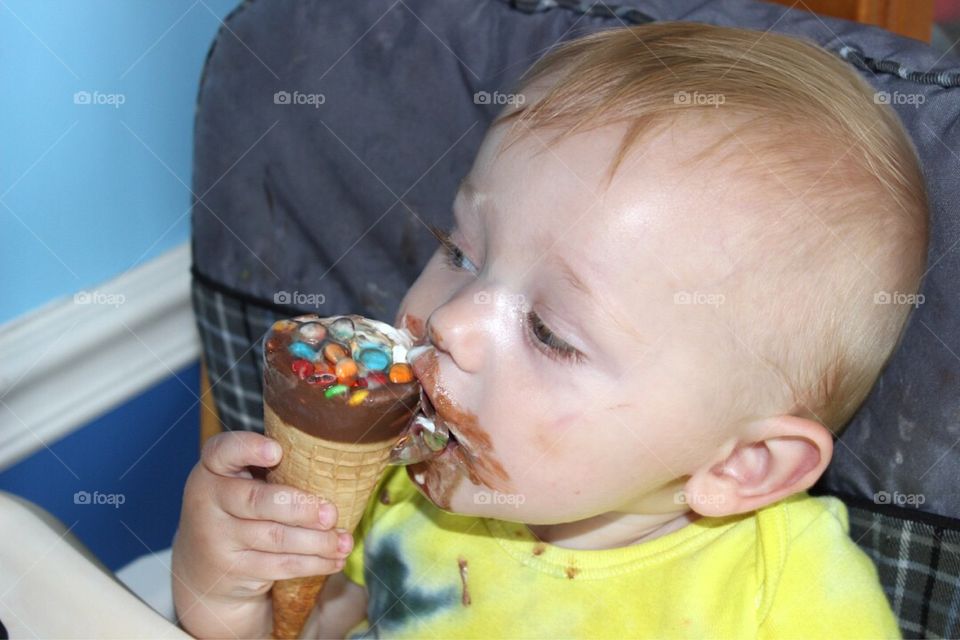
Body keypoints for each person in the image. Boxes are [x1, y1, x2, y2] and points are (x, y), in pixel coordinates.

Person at [173, 23, 925, 638]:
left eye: (548, 331)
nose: (450, 320)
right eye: (459, 252)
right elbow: (311, 625)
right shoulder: (404, 489)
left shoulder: (788, 593)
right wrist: (225, 589)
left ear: (746, 465)